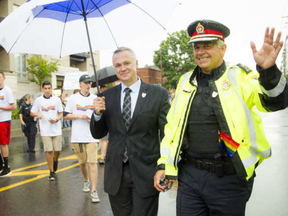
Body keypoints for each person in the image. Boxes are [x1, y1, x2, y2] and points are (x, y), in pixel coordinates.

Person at [154, 19, 288, 216]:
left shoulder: (239, 76)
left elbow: (274, 101)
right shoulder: (185, 81)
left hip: (229, 179)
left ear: (222, 48)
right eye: (196, 47)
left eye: (207, 46)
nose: (200, 52)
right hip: (190, 177)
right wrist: (164, 164)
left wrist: (268, 71)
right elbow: (171, 128)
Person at [90, 47, 170, 216]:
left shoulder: (158, 94)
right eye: (118, 65)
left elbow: (167, 135)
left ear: (136, 64)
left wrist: (164, 166)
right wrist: (97, 114)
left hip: (146, 172)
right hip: (116, 174)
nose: (123, 68)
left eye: (127, 63)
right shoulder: (107, 96)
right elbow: (98, 133)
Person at [64, 74, 100, 203]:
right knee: (82, 162)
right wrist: (79, 116)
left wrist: (94, 118)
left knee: (93, 163)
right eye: (85, 82)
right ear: (80, 84)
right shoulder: (73, 98)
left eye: (90, 82)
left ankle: (94, 191)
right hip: (77, 136)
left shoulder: (96, 98)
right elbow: (65, 115)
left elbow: (100, 115)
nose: (88, 85)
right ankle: (86, 180)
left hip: (92, 136)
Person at [31, 81, 63, 181]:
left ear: (51, 89)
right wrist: (37, 115)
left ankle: (56, 160)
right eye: (45, 88)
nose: (47, 90)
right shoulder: (38, 100)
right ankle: (51, 171)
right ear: (42, 89)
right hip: (45, 130)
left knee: (57, 150)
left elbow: (61, 113)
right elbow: (32, 112)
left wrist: (57, 119)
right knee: (49, 150)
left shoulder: (56, 100)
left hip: (56, 129)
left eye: (49, 88)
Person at [0, 72, 15, 177]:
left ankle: (7, 167)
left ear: (4, 78)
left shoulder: (7, 90)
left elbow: (13, 106)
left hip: (4, 120)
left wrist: (1, 107)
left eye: (0, 77)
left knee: (3, 143)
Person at [98, 84, 108, 165]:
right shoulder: (98, 98)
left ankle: (103, 156)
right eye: (102, 88)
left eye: (105, 88)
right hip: (101, 121)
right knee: (103, 140)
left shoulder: (110, 96)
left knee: (104, 140)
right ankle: (102, 156)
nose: (103, 89)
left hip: (108, 121)